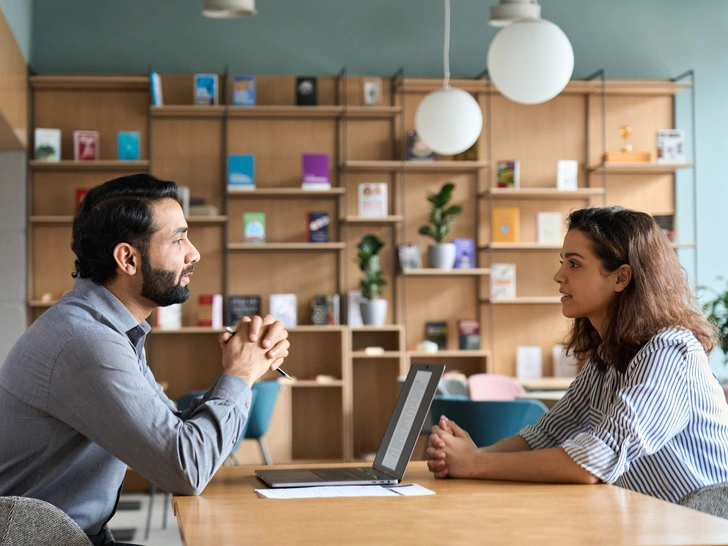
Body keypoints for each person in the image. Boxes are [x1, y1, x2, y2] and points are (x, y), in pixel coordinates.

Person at [0, 174, 290, 545]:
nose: (194, 253)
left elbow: (173, 433)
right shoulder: (88, 342)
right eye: (178, 239)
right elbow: (186, 469)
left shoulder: (109, 329)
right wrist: (240, 373)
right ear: (128, 259)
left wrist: (238, 369)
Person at [427, 206, 728, 503]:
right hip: (651, 524)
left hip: (701, 527)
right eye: (563, 262)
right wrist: (470, 455)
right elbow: (546, 434)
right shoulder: (608, 356)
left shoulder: (670, 352)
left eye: (574, 264)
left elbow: (592, 462)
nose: (559, 276)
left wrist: (474, 465)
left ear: (621, 278)